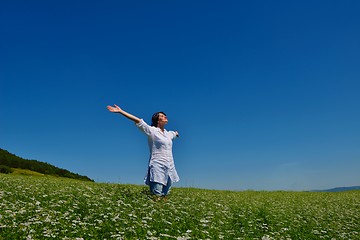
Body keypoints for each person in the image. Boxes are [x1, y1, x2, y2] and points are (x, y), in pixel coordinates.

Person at [107, 104, 180, 200]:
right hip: (158, 165)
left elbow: (174, 134)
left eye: (164, 115)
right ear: (157, 121)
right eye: (162, 116)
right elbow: (138, 120)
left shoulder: (168, 134)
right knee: (157, 194)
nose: (165, 116)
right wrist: (121, 111)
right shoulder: (152, 131)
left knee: (166, 194)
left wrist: (176, 134)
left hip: (170, 166)